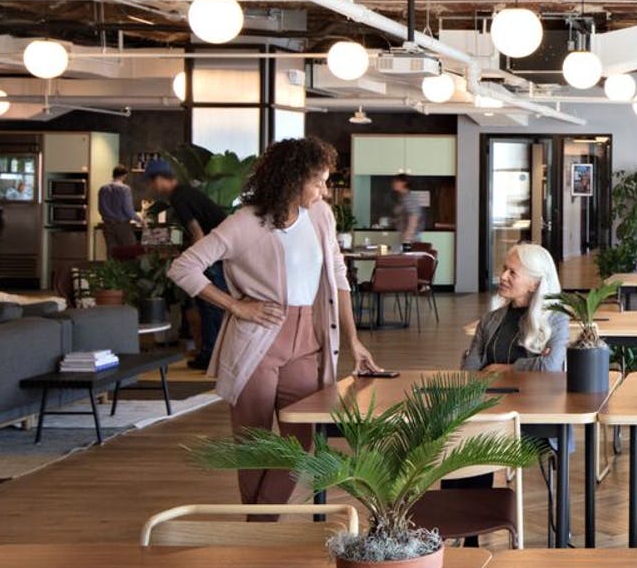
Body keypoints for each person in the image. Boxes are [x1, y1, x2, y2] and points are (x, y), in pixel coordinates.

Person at [169, 138, 379, 506]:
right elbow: (183, 268)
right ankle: (260, 528)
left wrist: (353, 341)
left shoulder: (321, 215)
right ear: (292, 179)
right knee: (255, 445)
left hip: (307, 343)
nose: (323, 191)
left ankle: (258, 523)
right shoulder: (245, 223)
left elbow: (338, 276)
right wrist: (235, 307)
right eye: (318, 182)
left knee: (302, 440)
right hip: (257, 344)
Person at [142, 158, 231, 369]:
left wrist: (194, 263)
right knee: (213, 305)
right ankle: (215, 355)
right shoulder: (187, 192)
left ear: (160, 179)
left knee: (209, 305)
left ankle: (210, 357)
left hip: (213, 255)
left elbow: (197, 233)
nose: (152, 187)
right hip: (222, 251)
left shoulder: (179, 198)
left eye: (152, 182)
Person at [462, 242, 570, 372]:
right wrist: (533, 364)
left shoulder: (555, 319)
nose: (503, 277)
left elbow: (549, 366)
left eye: (512, 273)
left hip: (534, 387)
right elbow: (469, 370)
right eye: (504, 269)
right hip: (490, 386)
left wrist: (504, 368)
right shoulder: (489, 320)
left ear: (535, 285)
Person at [97, 164, 139, 251]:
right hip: (122, 225)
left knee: (112, 252)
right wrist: (140, 220)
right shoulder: (125, 189)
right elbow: (128, 210)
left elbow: (101, 208)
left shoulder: (103, 189)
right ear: (124, 176)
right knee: (129, 251)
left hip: (108, 225)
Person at [390, 172, 426, 246]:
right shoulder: (402, 198)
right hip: (404, 235)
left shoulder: (409, 198)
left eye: (396, 181)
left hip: (411, 238)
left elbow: (414, 217)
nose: (393, 183)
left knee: (401, 253)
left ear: (404, 183)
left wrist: (407, 238)